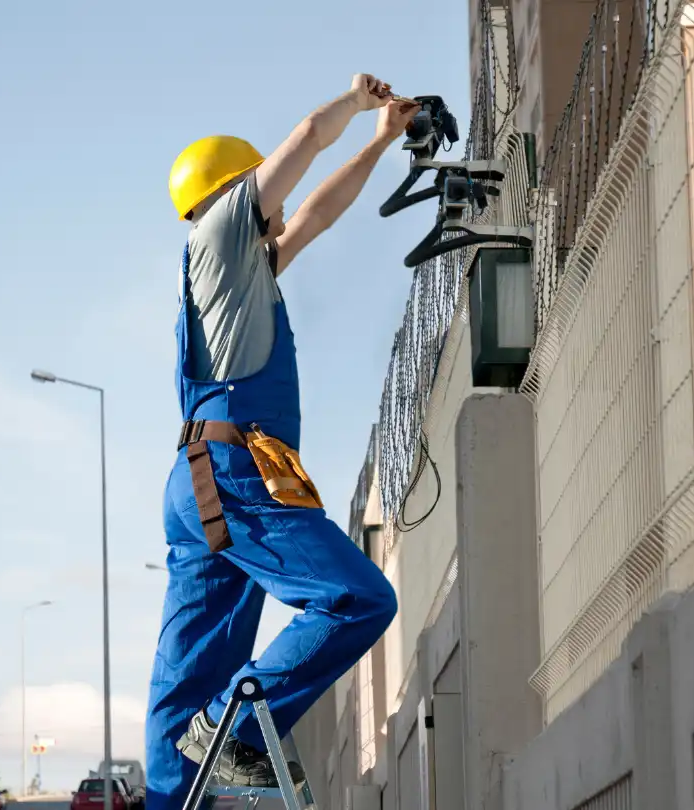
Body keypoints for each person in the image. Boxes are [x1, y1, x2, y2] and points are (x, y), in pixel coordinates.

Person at [145, 75, 420, 810]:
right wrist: (354, 102)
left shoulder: (241, 274)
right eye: (264, 192)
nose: (283, 208)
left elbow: (319, 213)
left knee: (191, 667)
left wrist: (380, 143)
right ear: (236, 194)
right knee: (356, 599)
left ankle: (174, 793)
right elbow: (303, 142)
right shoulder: (216, 233)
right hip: (233, 472)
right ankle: (232, 730)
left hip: (205, 475)